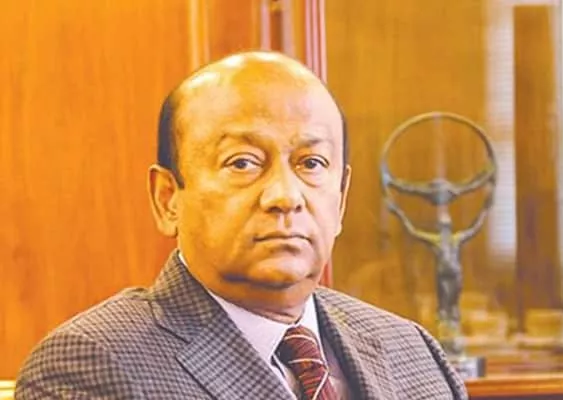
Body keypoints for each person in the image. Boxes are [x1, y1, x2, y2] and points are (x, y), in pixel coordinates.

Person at [15, 51, 468, 400]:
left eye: (311, 163)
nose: (285, 196)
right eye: (243, 163)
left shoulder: (413, 352)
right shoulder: (91, 364)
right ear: (168, 198)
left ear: (342, 198)